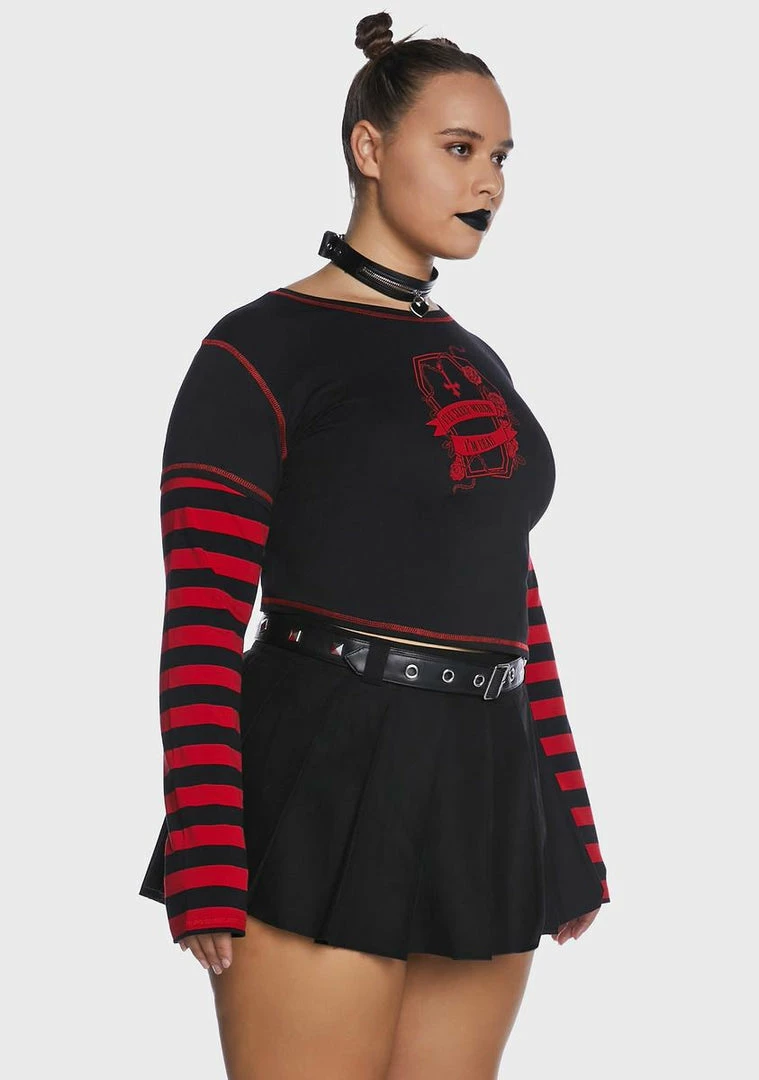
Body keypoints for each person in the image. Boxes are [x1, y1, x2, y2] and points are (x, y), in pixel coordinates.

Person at [138, 11, 611, 1078]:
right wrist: (207, 851)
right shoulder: (256, 349)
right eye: (459, 148)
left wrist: (569, 826)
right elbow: (202, 617)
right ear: (368, 147)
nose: (487, 181)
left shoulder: (476, 359)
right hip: (323, 774)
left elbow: (511, 596)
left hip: (487, 785)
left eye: (500, 157)